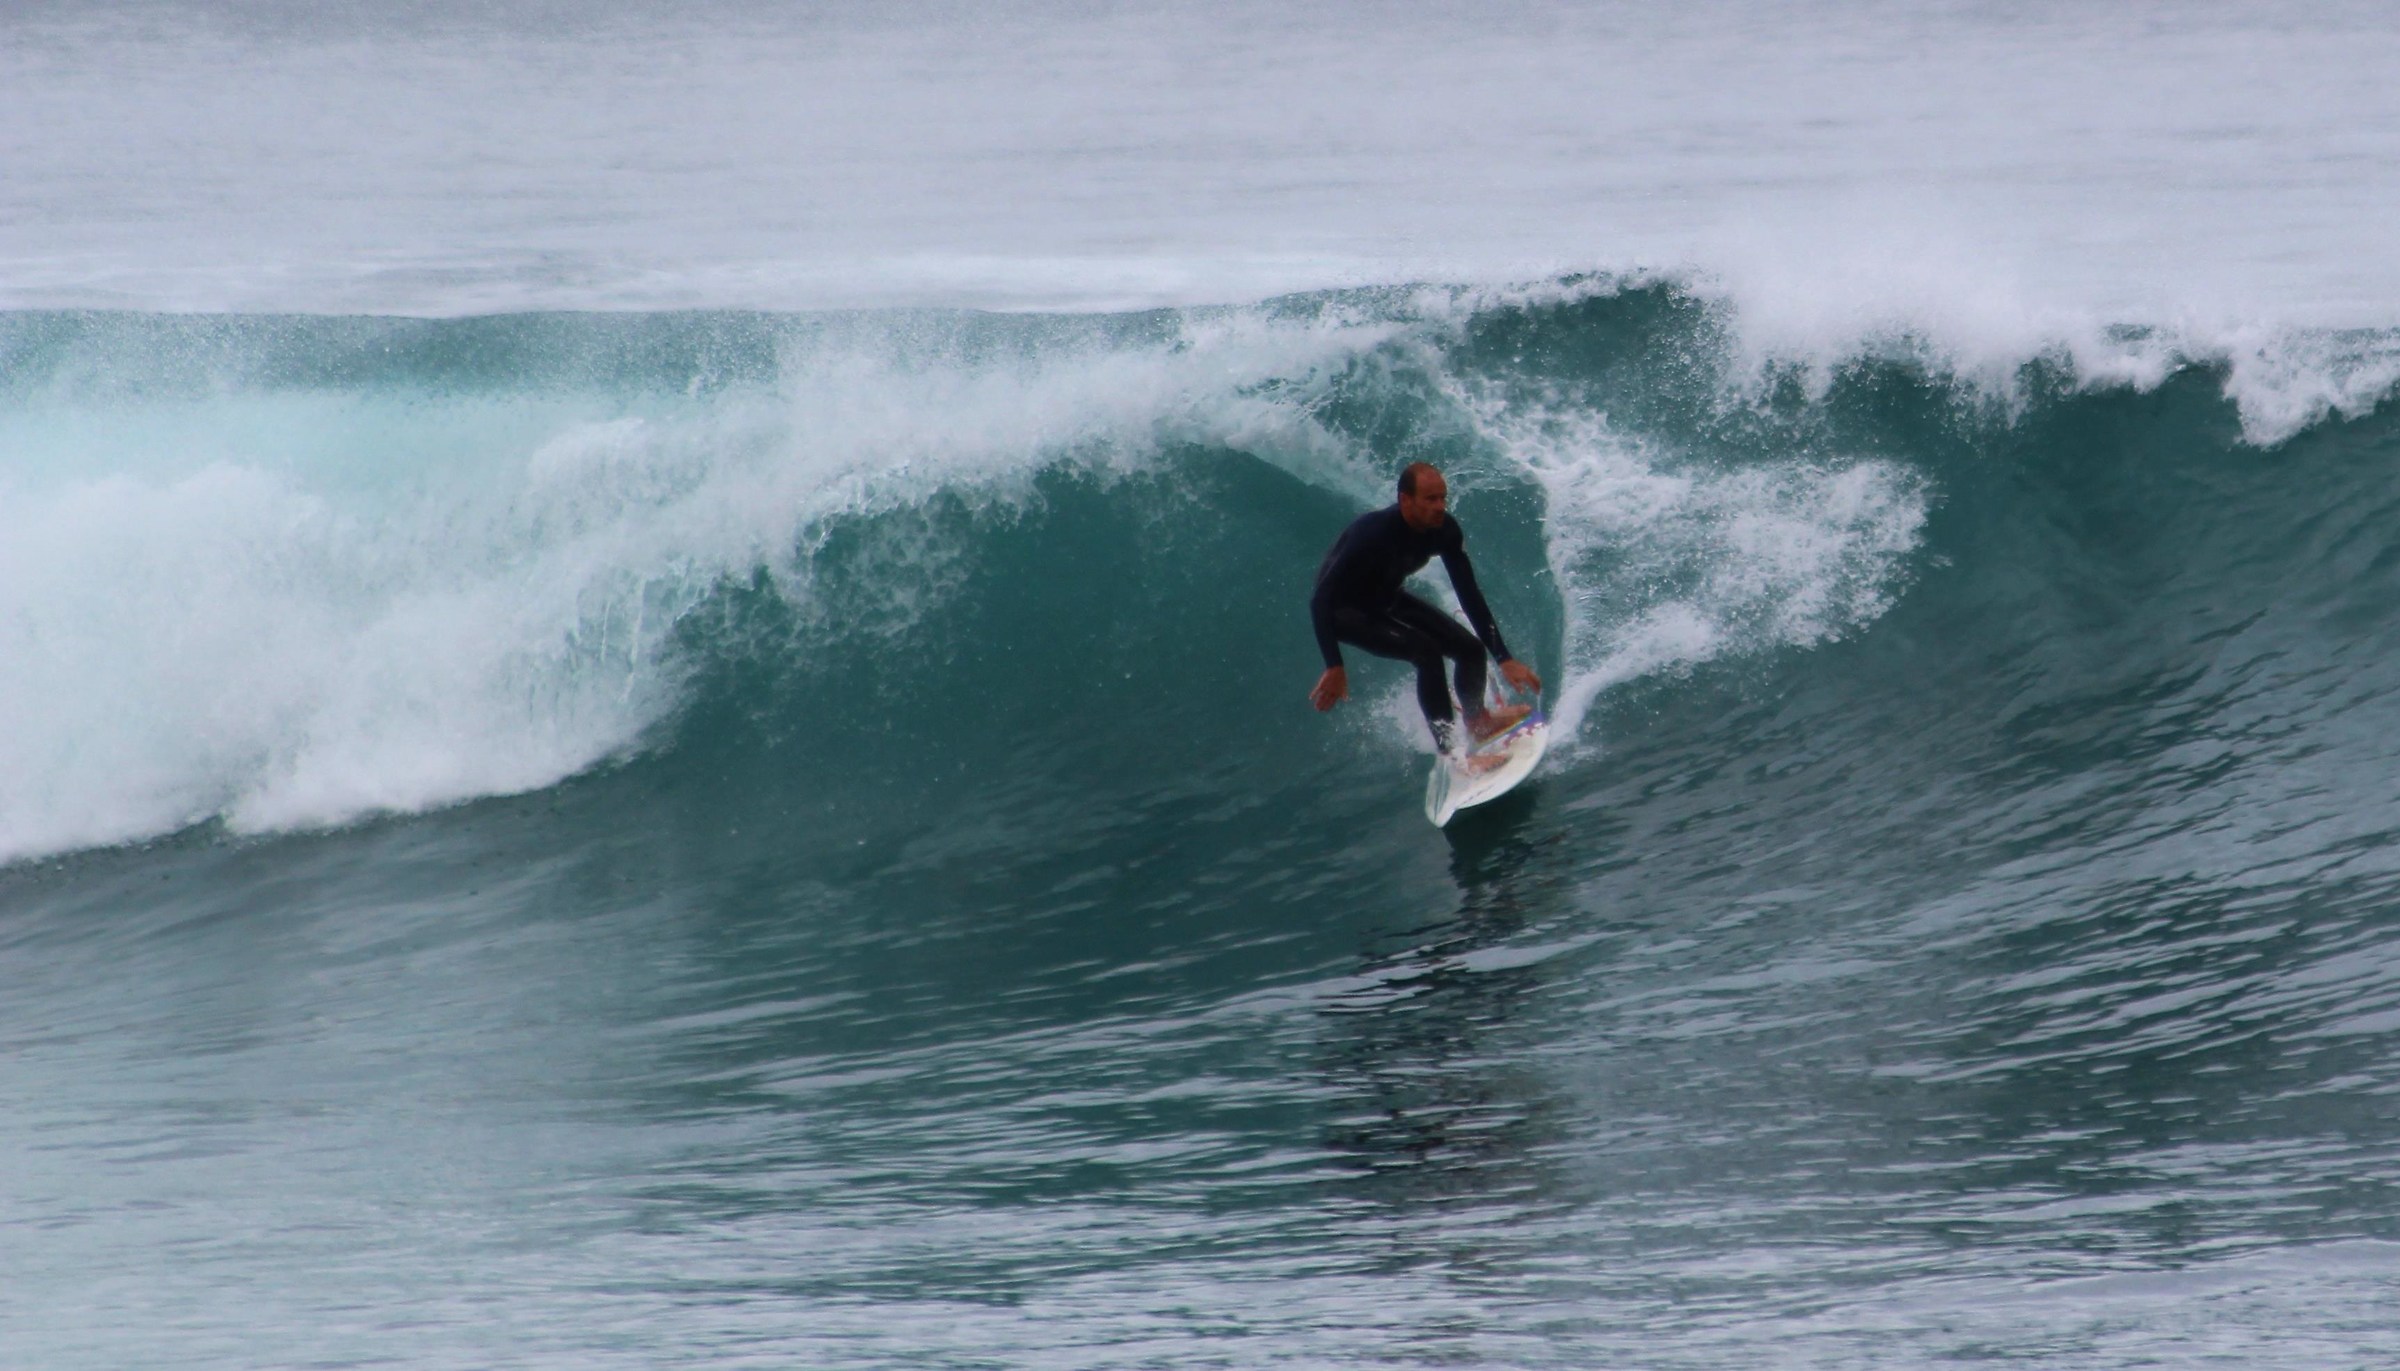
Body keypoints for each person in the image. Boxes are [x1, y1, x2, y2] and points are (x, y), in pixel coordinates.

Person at [1310, 463, 1543, 767]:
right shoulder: (1372, 532)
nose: (1439, 507)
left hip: (1386, 598)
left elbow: (1469, 593)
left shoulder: (1443, 531)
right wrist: (1334, 665)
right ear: (1406, 500)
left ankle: (1478, 722)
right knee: (1427, 653)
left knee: (1471, 650)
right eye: (1430, 499)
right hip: (1344, 611)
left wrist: (1503, 657)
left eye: (1442, 498)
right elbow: (1321, 599)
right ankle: (1453, 754)